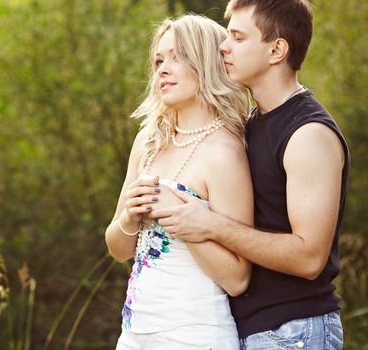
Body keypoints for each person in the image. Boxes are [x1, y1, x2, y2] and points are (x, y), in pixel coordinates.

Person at [150, 1, 350, 349]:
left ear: (276, 50)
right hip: (250, 330)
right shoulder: (252, 124)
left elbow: (309, 258)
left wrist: (209, 225)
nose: (224, 47)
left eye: (239, 38)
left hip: (294, 331)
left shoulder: (308, 134)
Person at [105, 14, 254, 349]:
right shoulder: (148, 141)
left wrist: (181, 219)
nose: (162, 68)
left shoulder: (225, 152)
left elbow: (238, 278)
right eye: (159, 59)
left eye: (177, 57)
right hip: (134, 334)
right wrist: (128, 217)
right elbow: (117, 249)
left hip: (195, 334)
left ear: (206, 63)